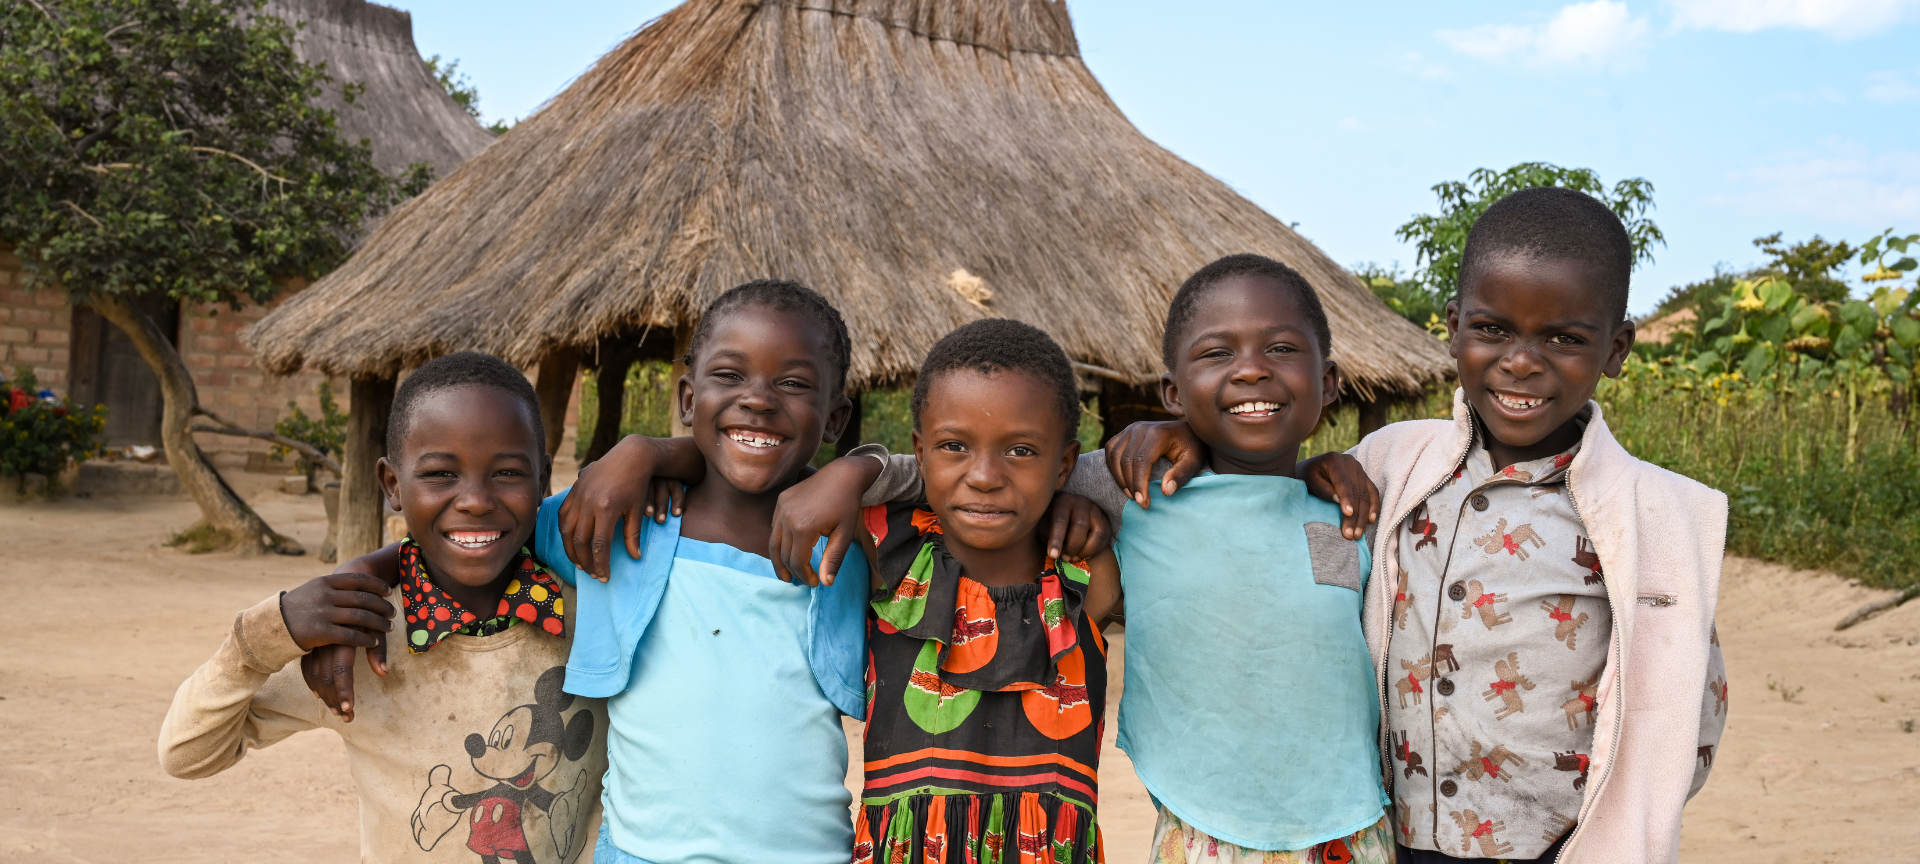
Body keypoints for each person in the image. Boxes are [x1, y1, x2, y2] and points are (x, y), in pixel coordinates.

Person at [1111, 189, 1729, 863]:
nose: (1522, 361)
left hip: (1556, 844)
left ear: (1615, 349)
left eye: (1564, 338)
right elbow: (1266, 480)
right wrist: (1186, 438)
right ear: (1454, 325)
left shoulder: (1649, 516)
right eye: (1493, 330)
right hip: (1390, 832)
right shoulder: (1394, 463)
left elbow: (1684, 702)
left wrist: (1611, 824)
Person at [792, 255, 1395, 863]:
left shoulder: (1366, 499)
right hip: (1203, 830)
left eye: (1281, 349)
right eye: (1218, 353)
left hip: (1353, 820)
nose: (1251, 372)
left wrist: (1323, 466)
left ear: (1331, 380)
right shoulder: (1134, 494)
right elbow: (954, 477)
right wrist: (856, 468)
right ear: (1172, 392)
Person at [158, 352, 608, 864]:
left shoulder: (595, 619)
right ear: (393, 485)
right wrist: (267, 633)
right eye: (441, 474)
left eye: (507, 473)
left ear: (543, 479)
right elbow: (186, 754)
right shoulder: (360, 644)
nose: (477, 500)